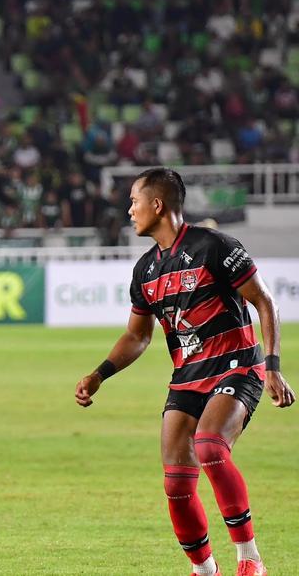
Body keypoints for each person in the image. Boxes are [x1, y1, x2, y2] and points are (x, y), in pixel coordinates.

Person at [75, 168, 294, 576]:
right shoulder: (145, 270)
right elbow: (137, 336)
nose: (129, 210)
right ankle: (204, 570)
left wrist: (272, 367)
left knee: (210, 446)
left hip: (237, 365)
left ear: (157, 205)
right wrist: (100, 373)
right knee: (176, 482)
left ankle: (250, 559)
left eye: (134, 202)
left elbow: (265, 303)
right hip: (188, 376)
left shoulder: (214, 246)